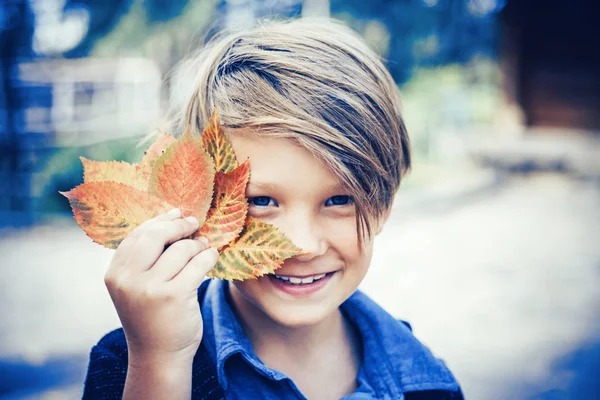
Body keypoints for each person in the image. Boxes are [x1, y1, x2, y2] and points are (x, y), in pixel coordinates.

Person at [82, 18, 464, 400]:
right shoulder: (131, 364)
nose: (301, 245)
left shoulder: (431, 388)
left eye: (339, 200)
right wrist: (161, 363)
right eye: (261, 201)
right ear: (200, 202)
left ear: (384, 205)